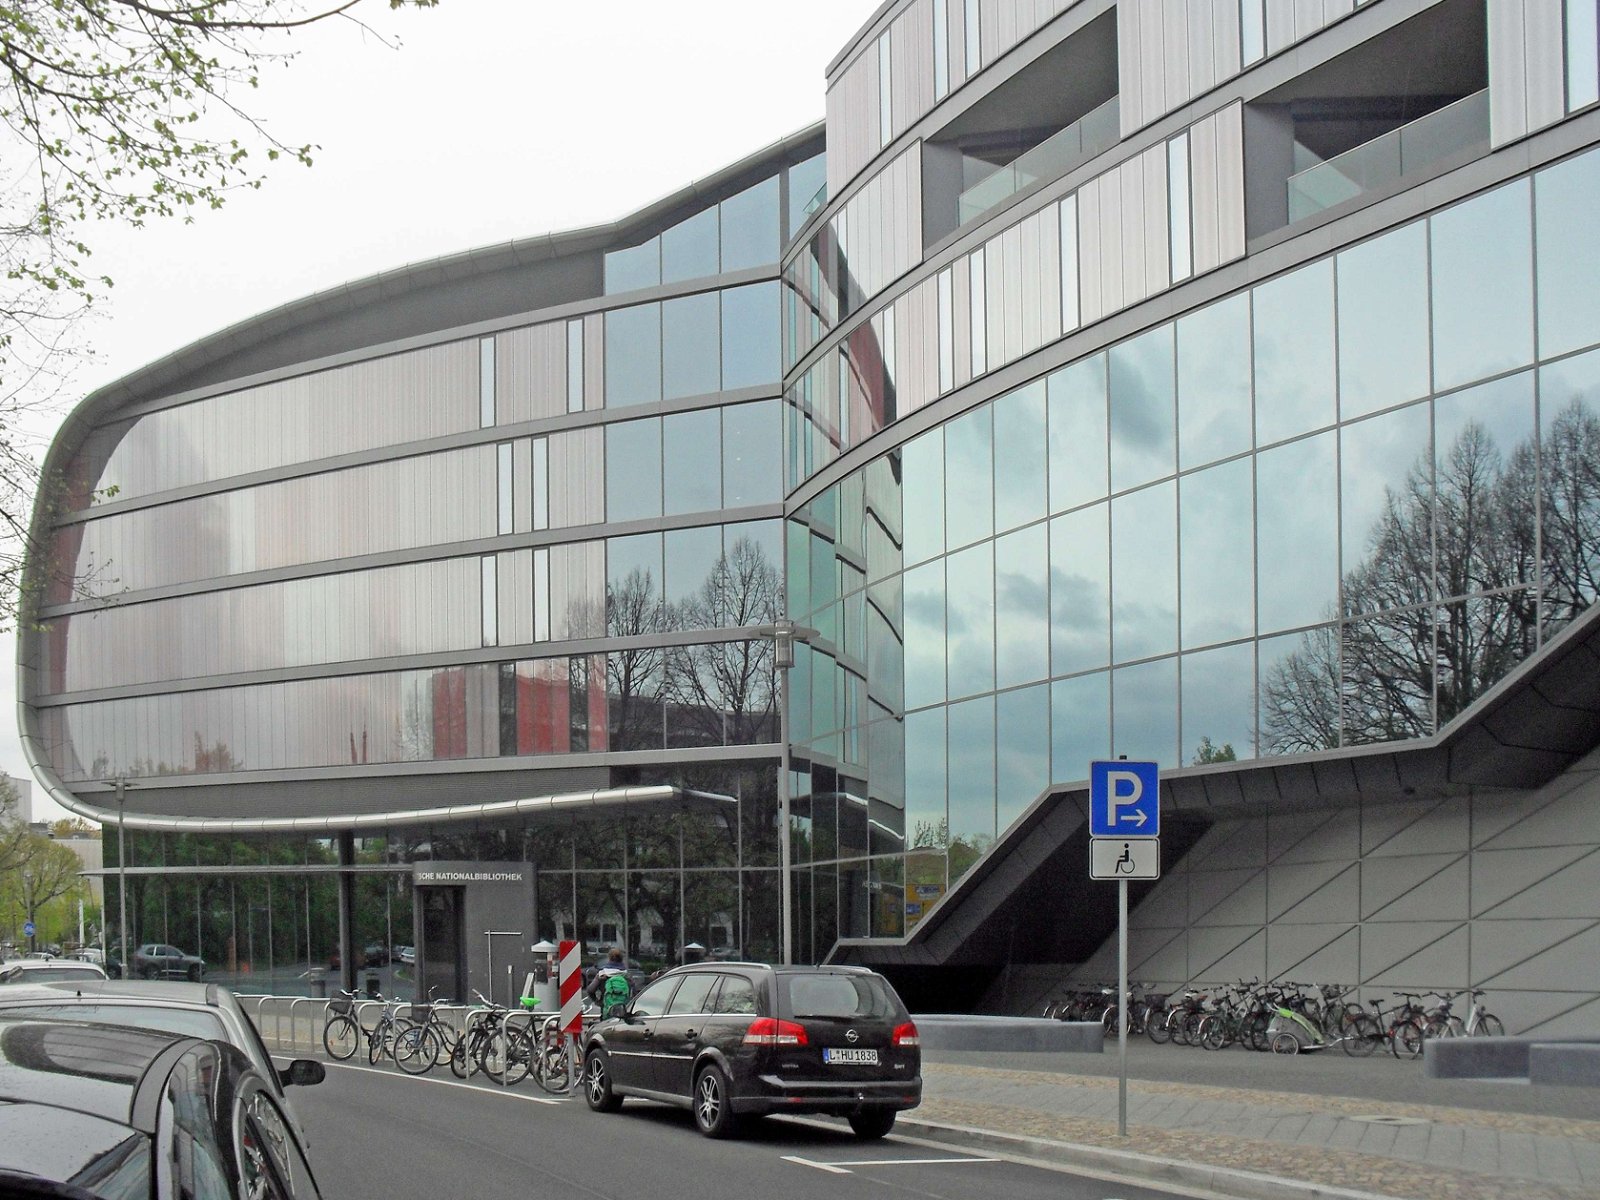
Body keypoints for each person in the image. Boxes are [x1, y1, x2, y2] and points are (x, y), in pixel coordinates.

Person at [585, 947, 631, 1017]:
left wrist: (598, 1002)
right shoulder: (626, 975)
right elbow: (635, 992)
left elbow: (590, 990)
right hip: (623, 1011)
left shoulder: (602, 974)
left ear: (609, 958)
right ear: (622, 959)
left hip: (606, 1011)